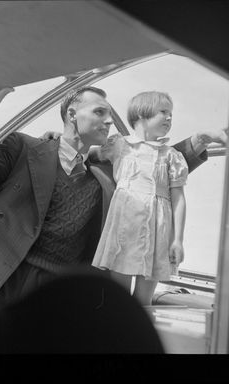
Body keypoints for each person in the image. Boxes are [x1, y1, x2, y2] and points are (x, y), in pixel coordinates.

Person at [0, 86, 224, 311]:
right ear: (72, 114)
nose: (109, 121)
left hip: (59, 295)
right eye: (100, 112)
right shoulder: (23, 147)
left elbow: (153, 163)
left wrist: (199, 141)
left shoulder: (105, 171)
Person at [90, 91, 187, 305]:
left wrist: (177, 240)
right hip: (125, 226)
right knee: (118, 298)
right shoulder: (119, 144)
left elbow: (178, 199)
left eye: (171, 113)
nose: (170, 118)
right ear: (142, 114)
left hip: (158, 231)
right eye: (163, 112)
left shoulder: (171, 156)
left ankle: (134, 335)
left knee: (143, 302)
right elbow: (88, 154)